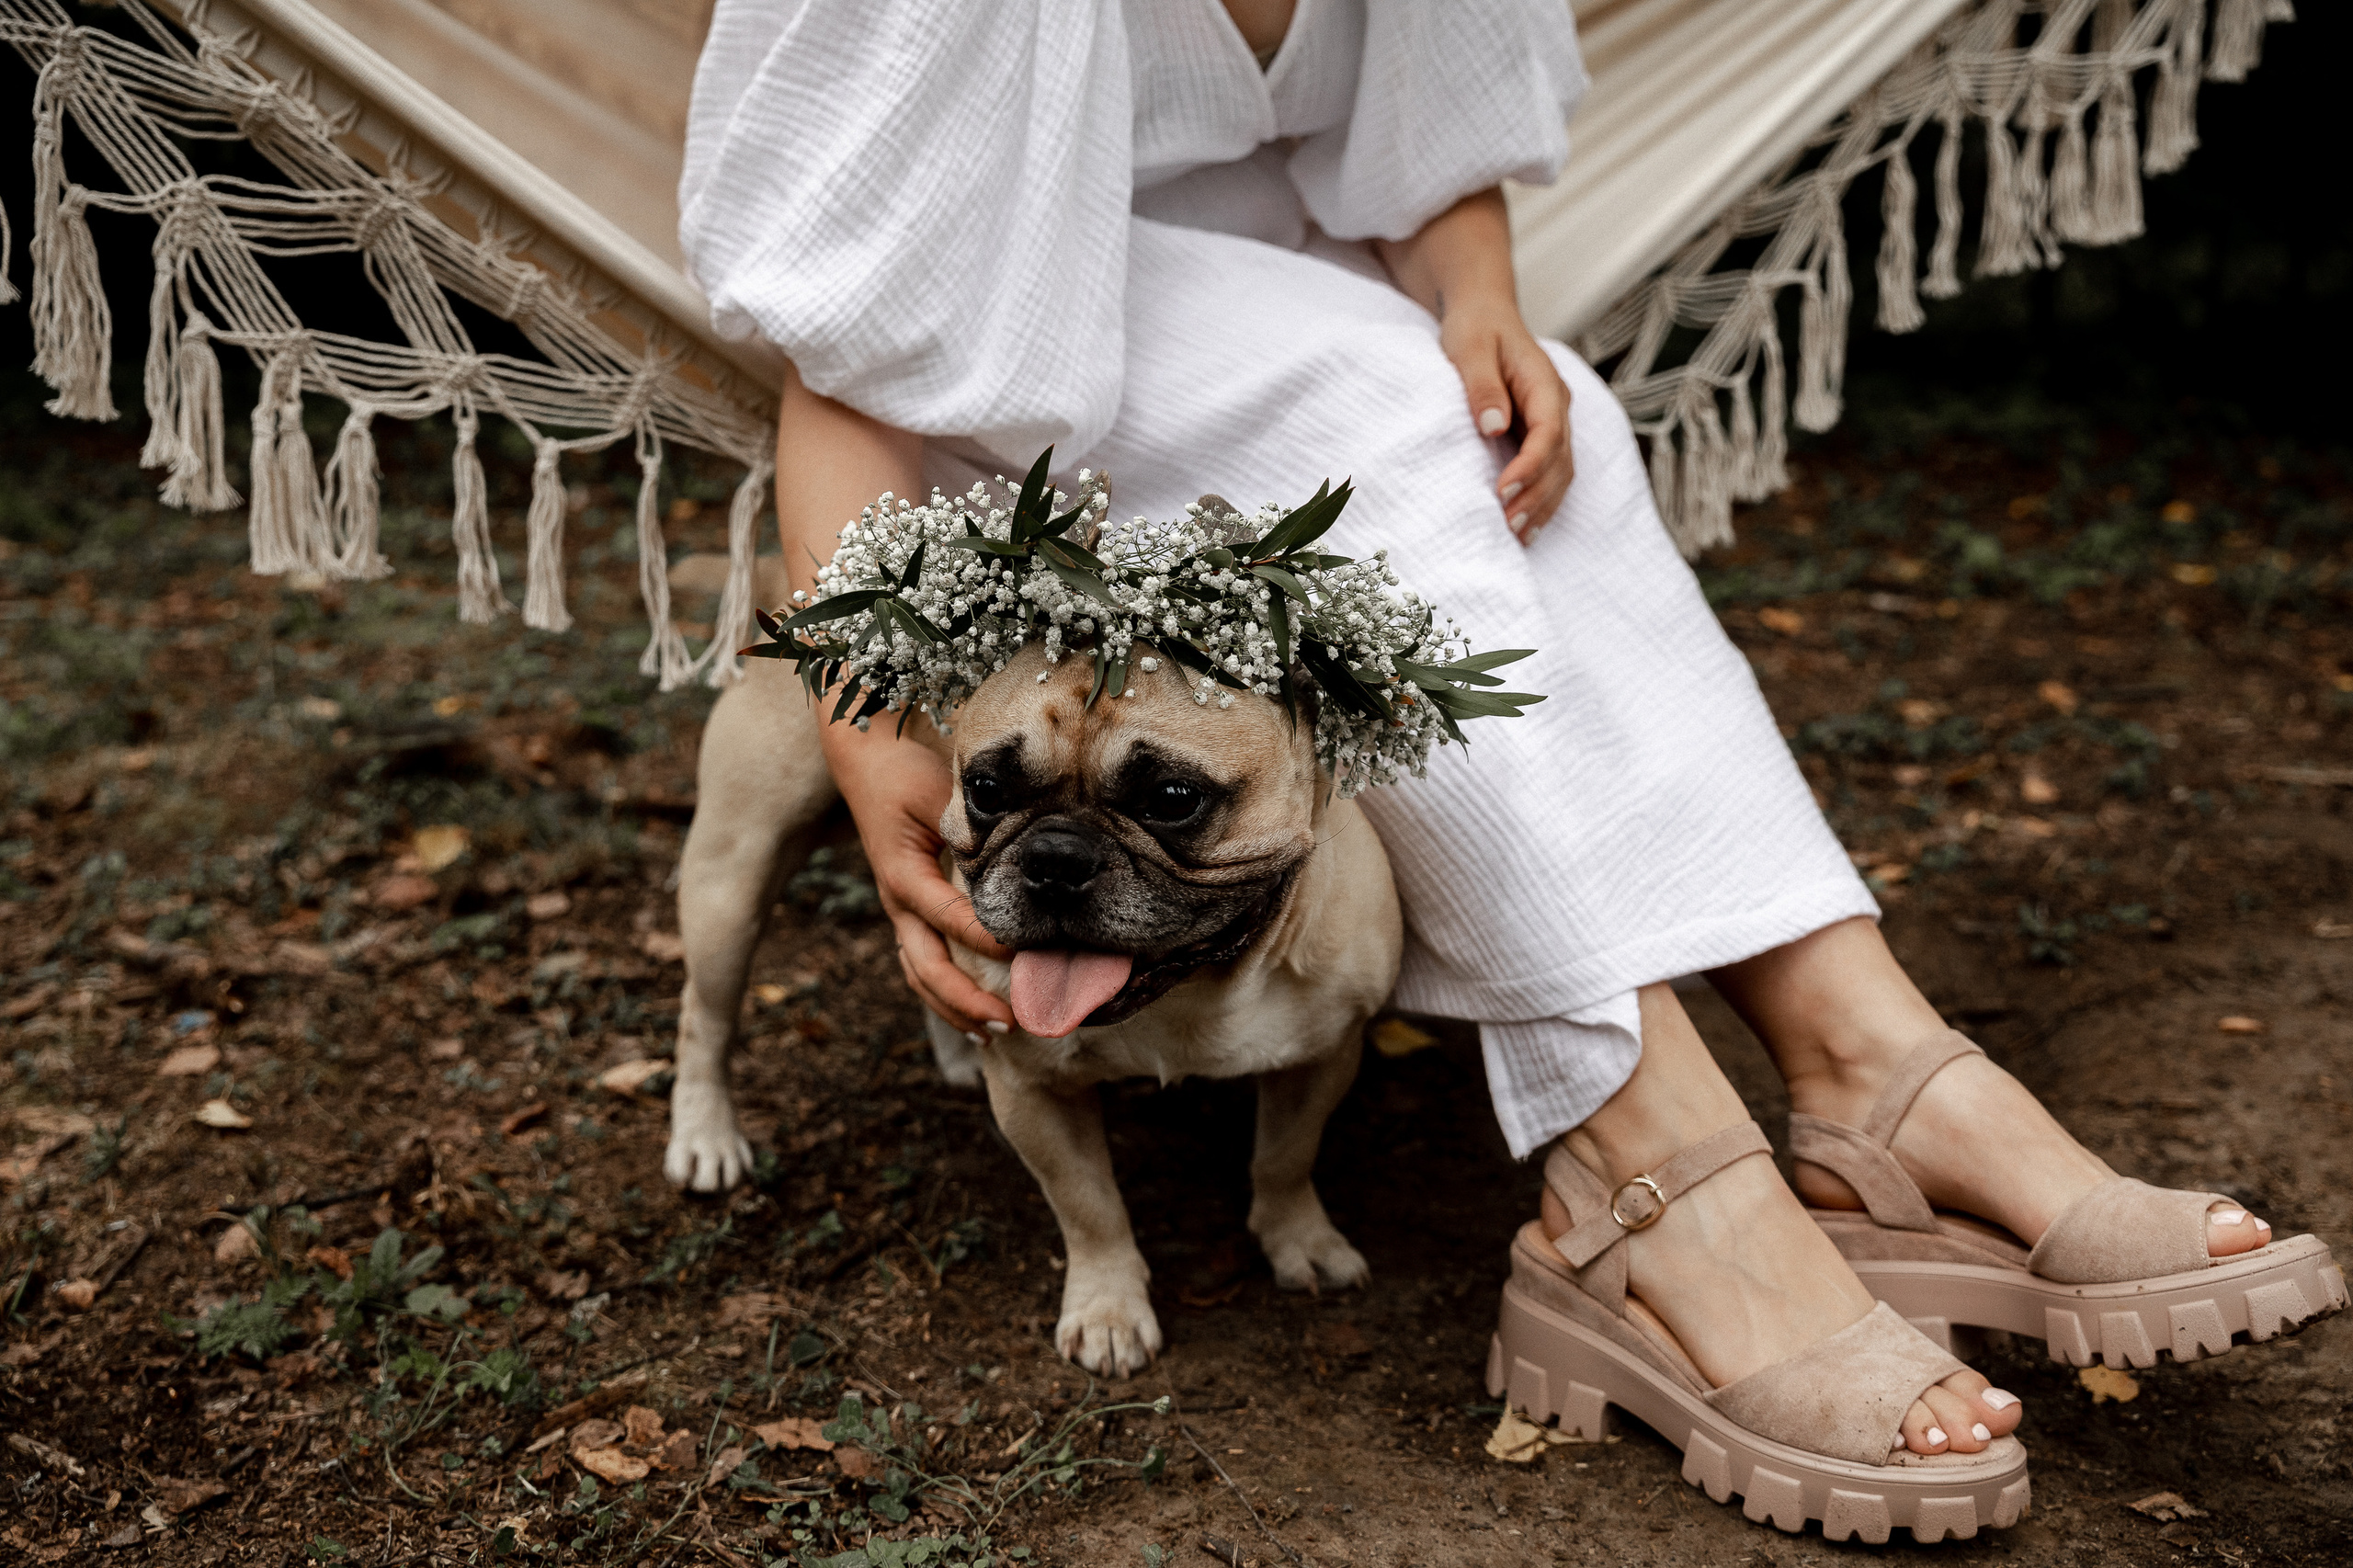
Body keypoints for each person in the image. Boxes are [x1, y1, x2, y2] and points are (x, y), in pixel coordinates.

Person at [678, 0, 2331, 1524]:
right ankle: (1649, 1147)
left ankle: (1862, 1052)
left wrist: (1479, 307)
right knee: (1384, 410)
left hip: (1334, 324)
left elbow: (1424, 162)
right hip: (1036, 364)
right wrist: (862, 696)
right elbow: (849, 349)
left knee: (1523, 423)